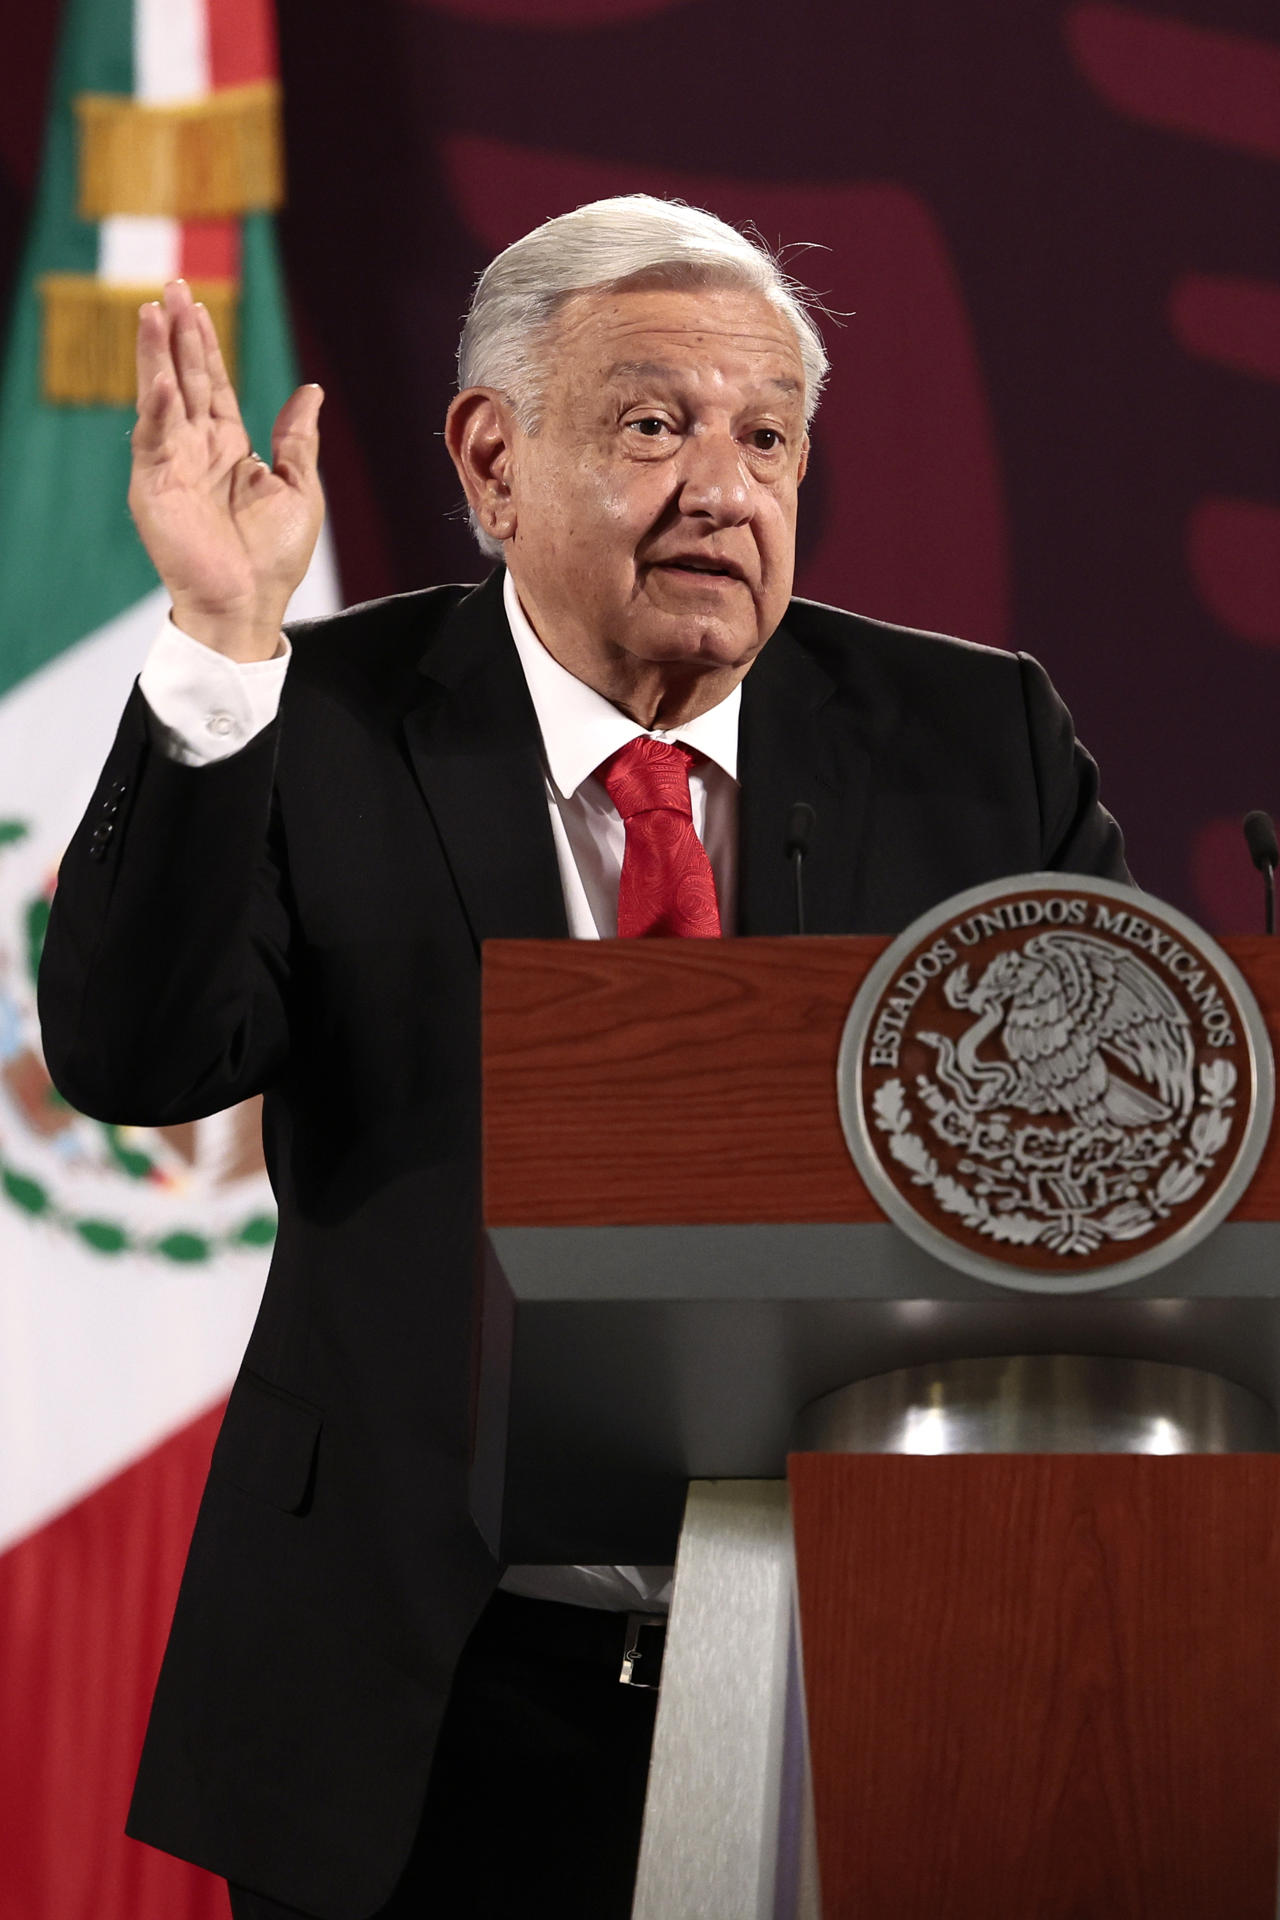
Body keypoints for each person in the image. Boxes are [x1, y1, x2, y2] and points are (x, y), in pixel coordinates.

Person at [37, 197, 1128, 1919]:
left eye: (768, 434)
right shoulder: (306, 715)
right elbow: (134, 1055)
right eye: (653, 425)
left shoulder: (973, 739)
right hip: (431, 1695)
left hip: (870, 1675)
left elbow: (1129, 1184)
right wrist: (212, 657)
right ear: (492, 459)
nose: (725, 486)